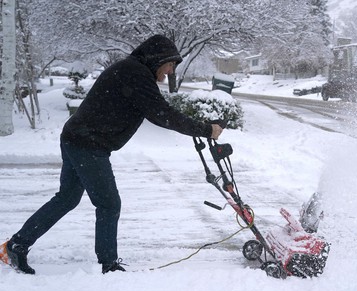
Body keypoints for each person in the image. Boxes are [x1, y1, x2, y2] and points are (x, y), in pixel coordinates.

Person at [1, 35, 224, 274]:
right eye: (170, 64)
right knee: (108, 204)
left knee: (67, 199)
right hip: (88, 143)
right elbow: (161, 113)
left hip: (77, 137)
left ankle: (16, 245)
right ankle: (109, 265)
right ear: (157, 59)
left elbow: (159, 110)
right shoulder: (135, 73)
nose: (170, 71)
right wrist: (205, 130)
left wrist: (200, 127)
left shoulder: (134, 71)